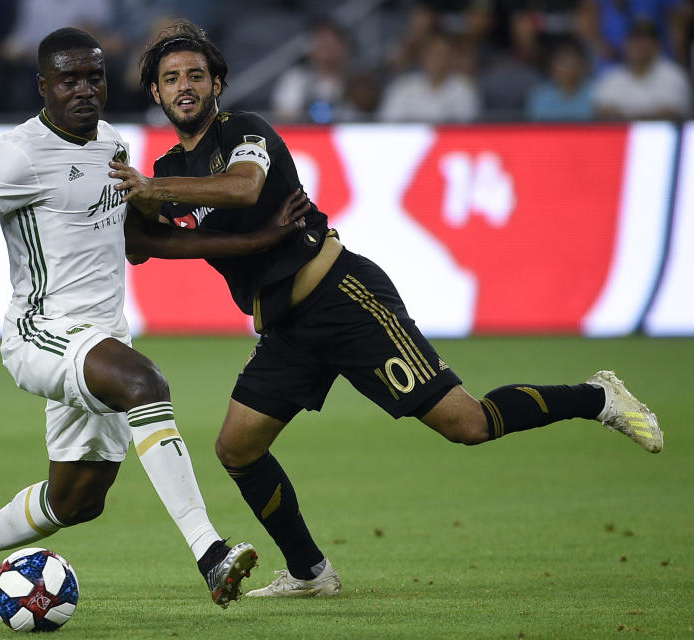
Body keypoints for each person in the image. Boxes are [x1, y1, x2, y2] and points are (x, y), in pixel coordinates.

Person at [109, 19, 664, 598]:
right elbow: (143, 247)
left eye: (196, 74)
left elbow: (245, 187)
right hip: (285, 328)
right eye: (171, 79)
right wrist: (159, 210)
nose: (184, 86)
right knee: (237, 448)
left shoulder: (246, 131)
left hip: (343, 297)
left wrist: (153, 191)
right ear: (156, 93)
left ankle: (598, 398)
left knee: (467, 425)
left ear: (217, 82)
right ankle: (310, 573)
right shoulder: (170, 171)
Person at [0, 27, 311, 608]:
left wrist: (257, 242)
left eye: (94, 76)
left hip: (101, 339)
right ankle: (210, 552)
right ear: (44, 86)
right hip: (40, 332)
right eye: (68, 80)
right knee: (146, 384)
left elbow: (144, 242)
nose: (85, 89)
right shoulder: (16, 154)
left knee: (78, 501)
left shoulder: (113, 145)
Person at [592, 18, 691, 120]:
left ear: (658, 45)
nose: (641, 45)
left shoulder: (675, 76)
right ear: (626, 44)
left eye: (646, 40)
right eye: (636, 40)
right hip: (621, 135)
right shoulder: (611, 77)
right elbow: (603, 112)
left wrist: (626, 114)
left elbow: (673, 113)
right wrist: (650, 113)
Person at [378, 30, 480, 123]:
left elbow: (467, 128)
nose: (437, 60)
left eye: (442, 55)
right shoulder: (403, 86)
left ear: (451, 58)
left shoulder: (463, 88)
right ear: (423, 57)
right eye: (433, 55)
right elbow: (388, 123)